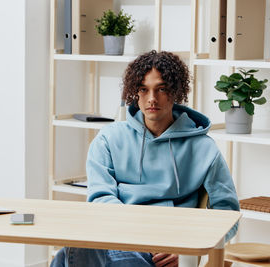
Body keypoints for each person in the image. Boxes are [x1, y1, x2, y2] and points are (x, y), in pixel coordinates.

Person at [50, 50, 240, 267]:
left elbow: (228, 214)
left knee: (67, 258)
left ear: (176, 92)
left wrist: (189, 249)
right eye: (143, 89)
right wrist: (136, 233)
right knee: (71, 251)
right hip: (118, 237)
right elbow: (100, 201)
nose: (152, 99)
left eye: (161, 89)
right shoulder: (108, 139)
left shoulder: (204, 148)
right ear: (134, 92)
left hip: (165, 250)